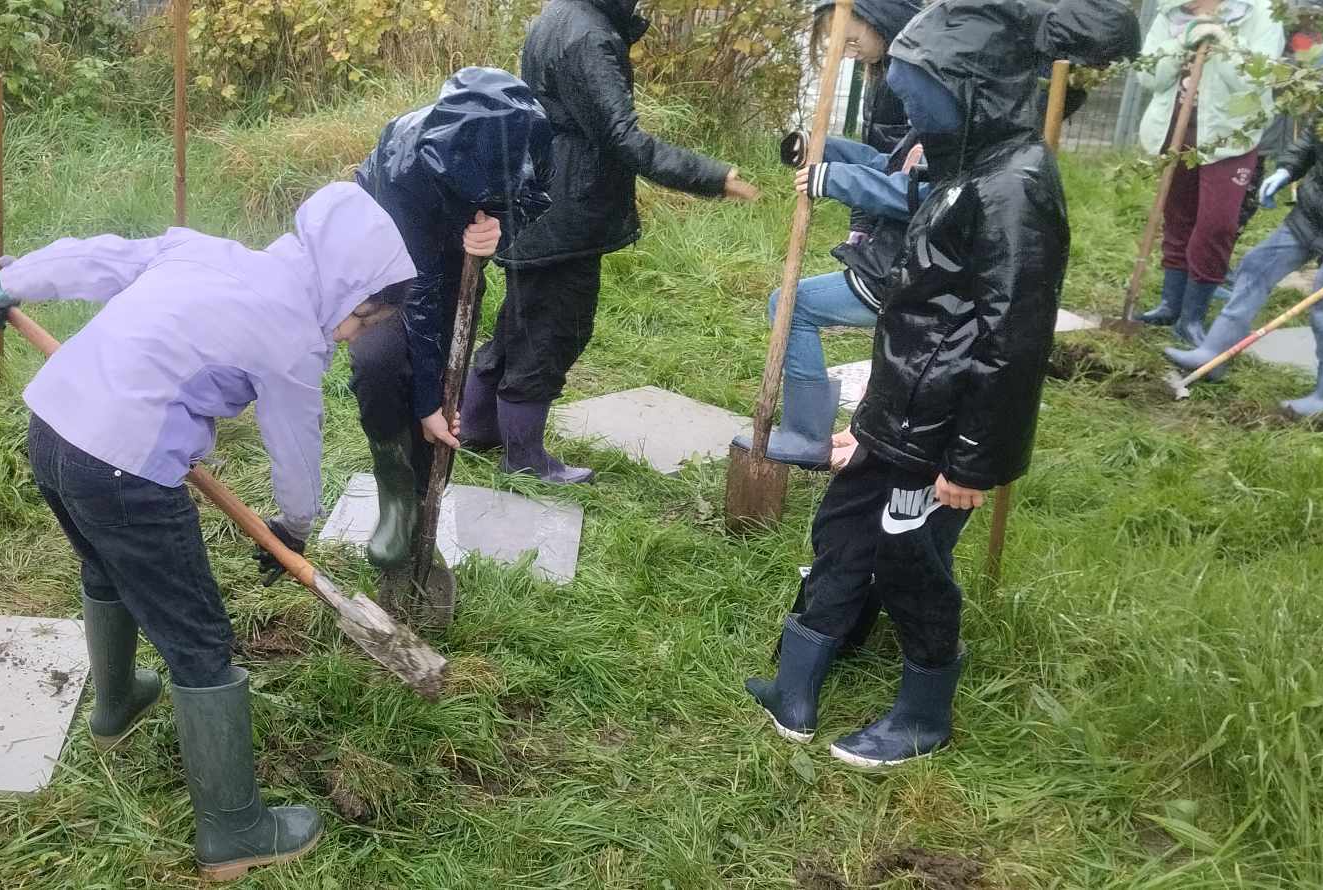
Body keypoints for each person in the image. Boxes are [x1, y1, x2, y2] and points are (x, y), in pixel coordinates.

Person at [0, 183, 416, 881]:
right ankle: (236, 831)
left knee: (104, 568)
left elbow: (95, 258)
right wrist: (294, 527)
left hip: (51, 429)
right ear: (343, 287)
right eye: (361, 317)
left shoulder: (201, 250)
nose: (351, 333)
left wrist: (2, 282)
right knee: (200, 640)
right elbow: (297, 443)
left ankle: (116, 706)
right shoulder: (294, 338)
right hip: (122, 469)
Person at [745, 0, 1137, 768]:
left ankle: (924, 711)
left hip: (946, 434)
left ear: (973, 90)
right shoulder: (960, 171)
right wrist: (871, 422)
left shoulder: (1017, 188)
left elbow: (1010, 343)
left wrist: (971, 465)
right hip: (899, 414)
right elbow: (921, 319)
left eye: (925, 96)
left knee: (909, 561)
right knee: (840, 531)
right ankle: (797, 683)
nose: (912, 114)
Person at [454, 0, 761, 485]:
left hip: (536, 188)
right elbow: (623, 137)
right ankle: (524, 457)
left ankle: (476, 428)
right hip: (567, 206)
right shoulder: (589, 35)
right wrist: (711, 176)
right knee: (554, 330)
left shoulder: (558, 14)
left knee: (520, 319)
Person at [348, 67, 553, 597]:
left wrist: (500, 229)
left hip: (460, 265)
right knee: (381, 362)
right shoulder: (405, 160)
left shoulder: (529, 136)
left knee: (444, 388)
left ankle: (424, 507)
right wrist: (422, 405)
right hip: (387, 267)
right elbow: (420, 291)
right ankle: (396, 496)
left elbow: (535, 198)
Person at [727, 0, 924, 471]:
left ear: (884, 21)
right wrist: (825, 151)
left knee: (790, 305)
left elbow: (920, 191)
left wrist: (834, 179)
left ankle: (806, 434)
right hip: (901, 255)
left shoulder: (918, 94)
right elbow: (891, 165)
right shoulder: (910, 87)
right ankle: (862, 436)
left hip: (911, 267)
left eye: (853, 39)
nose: (851, 52)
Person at [1165, 31, 1323, 418]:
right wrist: (1285, 169)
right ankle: (1215, 350)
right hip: (1313, 212)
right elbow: (1315, 136)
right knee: (1257, 267)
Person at [1131, 0, 1282, 347]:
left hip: (1230, 135)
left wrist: (1224, 42)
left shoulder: (1261, 12)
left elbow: (1256, 81)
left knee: (1217, 224)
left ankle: (1193, 317)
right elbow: (1148, 75)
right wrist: (1182, 39)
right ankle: (1171, 305)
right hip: (1177, 129)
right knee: (1178, 215)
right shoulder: (1170, 12)